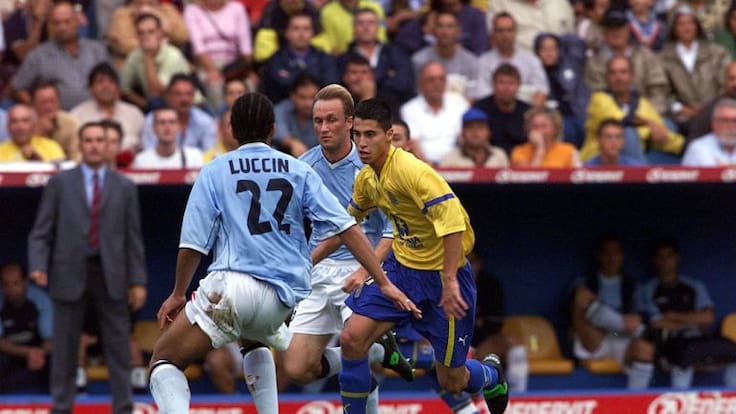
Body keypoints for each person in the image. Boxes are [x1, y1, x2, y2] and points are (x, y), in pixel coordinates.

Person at [147, 92, 417, 414]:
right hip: (281, 296)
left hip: (233, 285)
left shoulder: (215, 170)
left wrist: (178, 293)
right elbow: (348, 227)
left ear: (231, 130)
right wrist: (383, 282)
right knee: (256, 341)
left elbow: (193, 244)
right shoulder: (298, 169)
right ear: (273, 129)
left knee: (164, 360)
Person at [336, 98, 509, 414]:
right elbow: (347, 225)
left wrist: (450, 280)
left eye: (370, 134)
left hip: (442, 279)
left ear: (389, 135)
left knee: (452, 381)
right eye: (356, 134)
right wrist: (311, 259)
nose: (361, 143)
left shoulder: (413, 172)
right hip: (401, 271)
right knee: (351, 339)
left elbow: (453, 224)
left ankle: (491, 374)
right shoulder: (366, 178)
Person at [281, 84, 412, 411]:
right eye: (318, 121)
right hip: (318, 271)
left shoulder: (372, 165)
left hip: (363, 269)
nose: (324, 128)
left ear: (350, 122)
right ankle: (381, 351)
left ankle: (369, 352)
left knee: (355, 343)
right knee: (297, 368)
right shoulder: (303, 166)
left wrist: (365, 271)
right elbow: (292, 226)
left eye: (332, 120)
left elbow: (392, 230)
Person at [27, 121, 147, 414]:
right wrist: (38, 264)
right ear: (80, 145)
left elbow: (133, 238)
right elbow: (41, 230)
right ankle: (61, 407)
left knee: (118, 346)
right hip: (69, 271)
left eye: (99, 140)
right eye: (89, 140)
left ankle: (123, 407)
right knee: (65, 347)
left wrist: (138, 280)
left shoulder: (125, 186)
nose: (94, 145)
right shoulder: (60, 183)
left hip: (112, 274)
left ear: (108, 146)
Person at [635, 237, 736, 388]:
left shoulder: (693, 285)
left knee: (732, 350)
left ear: (677, 258)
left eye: (669, 256)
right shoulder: (647, 289)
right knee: (684, 354)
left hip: (696, 339)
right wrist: (693, 319)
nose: (665, 261)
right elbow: (658, 323)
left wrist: (674, 316)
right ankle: (680, 398)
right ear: (655, 260)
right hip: (666, 342)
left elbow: (708, 317)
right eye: (661, 257)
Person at [569, 235, 655, 389]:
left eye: (615, 253)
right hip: (595, 336)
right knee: (581, 296)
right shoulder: (585, 281)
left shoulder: (632, 284)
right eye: (607, 253)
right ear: (599, 256)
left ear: (622, 256)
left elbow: (644, 316)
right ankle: (616, 321)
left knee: (645, 349)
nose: (611, 258)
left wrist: (635, 319)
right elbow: (572, 310)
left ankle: (634, 401)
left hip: (619, 336)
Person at [581, 55, 684, 164]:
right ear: (607, 78)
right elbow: (622, 122)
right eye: (613, 73)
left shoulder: (642, 102)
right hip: (598, 162)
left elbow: (660, 130)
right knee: (628, 132)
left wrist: (684, 145)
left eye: (623, 72)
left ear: (631, 76)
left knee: (668, 126)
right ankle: (640, 173)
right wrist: (648, 124)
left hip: (636, 155)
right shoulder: (599, 99)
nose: (618, 78)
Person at [11, 0, 110, 110]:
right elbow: (18, 88)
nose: (62, 27)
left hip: (97, 114)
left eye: (67, 22)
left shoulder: (96, 50)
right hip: (59, 117)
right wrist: (38, 108)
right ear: (51, 25)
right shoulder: (39, 55)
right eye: (57, 23)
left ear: (77, 21)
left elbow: (112, 82)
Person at [659, 6, 730, 134]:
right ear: (674, 28)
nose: (686, 28)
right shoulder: (664, 58)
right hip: (682, 117)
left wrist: (711, 107)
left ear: (697, 26)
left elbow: (725, 84)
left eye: (690, 23)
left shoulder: (717, 53)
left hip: (716, 110)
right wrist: (682, 109)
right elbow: (662, 91)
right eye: (681, 24)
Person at [400, 62, 469, 165]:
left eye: (441, 79)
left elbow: (465, 138)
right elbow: (413, 144)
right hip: (423, 165)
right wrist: (430, 169)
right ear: (420, 83)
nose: (437, 84)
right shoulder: (409, 109)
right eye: (431, 80)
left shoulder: (459, 103)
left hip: (456, 163)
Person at [0, 262, 52, 394]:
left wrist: (38, 354)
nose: (10, 289)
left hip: (39, 355)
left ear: (25, 282)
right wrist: (27, 352)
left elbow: (51, 339)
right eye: (6, 284)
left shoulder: (40, 299)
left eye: (15, 283)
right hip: (9, 355)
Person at [473, 12, 548, 104]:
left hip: (526, 110)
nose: (505, 35)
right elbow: (482, 95)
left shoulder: (532, 60)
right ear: (493, 34)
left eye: (509, 30)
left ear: (515, 32)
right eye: (500, 31)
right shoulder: (483, 62)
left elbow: (542, 91)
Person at [71, 62, 145, 153]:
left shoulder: (134, 114)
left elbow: (145, 148)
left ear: (118, 88)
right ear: (91, 89)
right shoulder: (77, 115)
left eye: (111, 81)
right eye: (100, 81)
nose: (106, 86)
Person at [141, 74, 217, 152]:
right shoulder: (153, 120)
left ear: (194, 96)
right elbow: (149, 152)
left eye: (188, 94)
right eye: (178, 94)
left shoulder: (205, 121)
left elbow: (210, 153)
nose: (184, 99)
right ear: (168, 96)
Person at [474, 64, 530, 156]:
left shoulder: (528, 111)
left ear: (519, 85)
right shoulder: (479, 109)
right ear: (493, 84)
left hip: (522, 158)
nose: (506, 88)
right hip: (489, 157)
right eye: (501, 82)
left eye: (511, 83)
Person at [133, 107, 205, 169]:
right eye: (162, 122)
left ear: (179, 126)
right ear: (154, 128)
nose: (167, 127)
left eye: (172, 122)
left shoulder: (194, 156)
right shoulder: (142, 160)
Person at [510, 107, 581, 168]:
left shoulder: (569, 151)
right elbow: (529, 178)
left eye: (544, 126)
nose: (539, 131)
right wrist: (540, 149)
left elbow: (578, 176)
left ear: (555, 128)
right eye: (535, 126)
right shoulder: (519, 152)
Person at [439, 108, 509, 168]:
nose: (475, 133)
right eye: (470, 128)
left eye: (480, 128)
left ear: (489, 132)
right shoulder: (449, 159)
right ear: (462, 133)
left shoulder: (499, 156)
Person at [30, 80, 79, 161]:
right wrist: (37, 134)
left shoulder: (71, 123)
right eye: (43, 102)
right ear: (33, 104)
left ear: (58, 101)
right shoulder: (24, 122)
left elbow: (76, 157)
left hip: (65, 166)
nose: (48, 106)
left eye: (52, 101)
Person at [0, 104, 65, 163]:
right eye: (14, 121)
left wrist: (37, 161)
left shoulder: (51, 146)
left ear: (33, 125)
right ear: (8, 126)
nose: (20, 127)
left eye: (25, 121)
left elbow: (61, 171)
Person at [682, 98, 736, 166]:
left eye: (734, 121)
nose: (730, 126)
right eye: (725, 121)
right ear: (714, 123)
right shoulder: (698, 148)